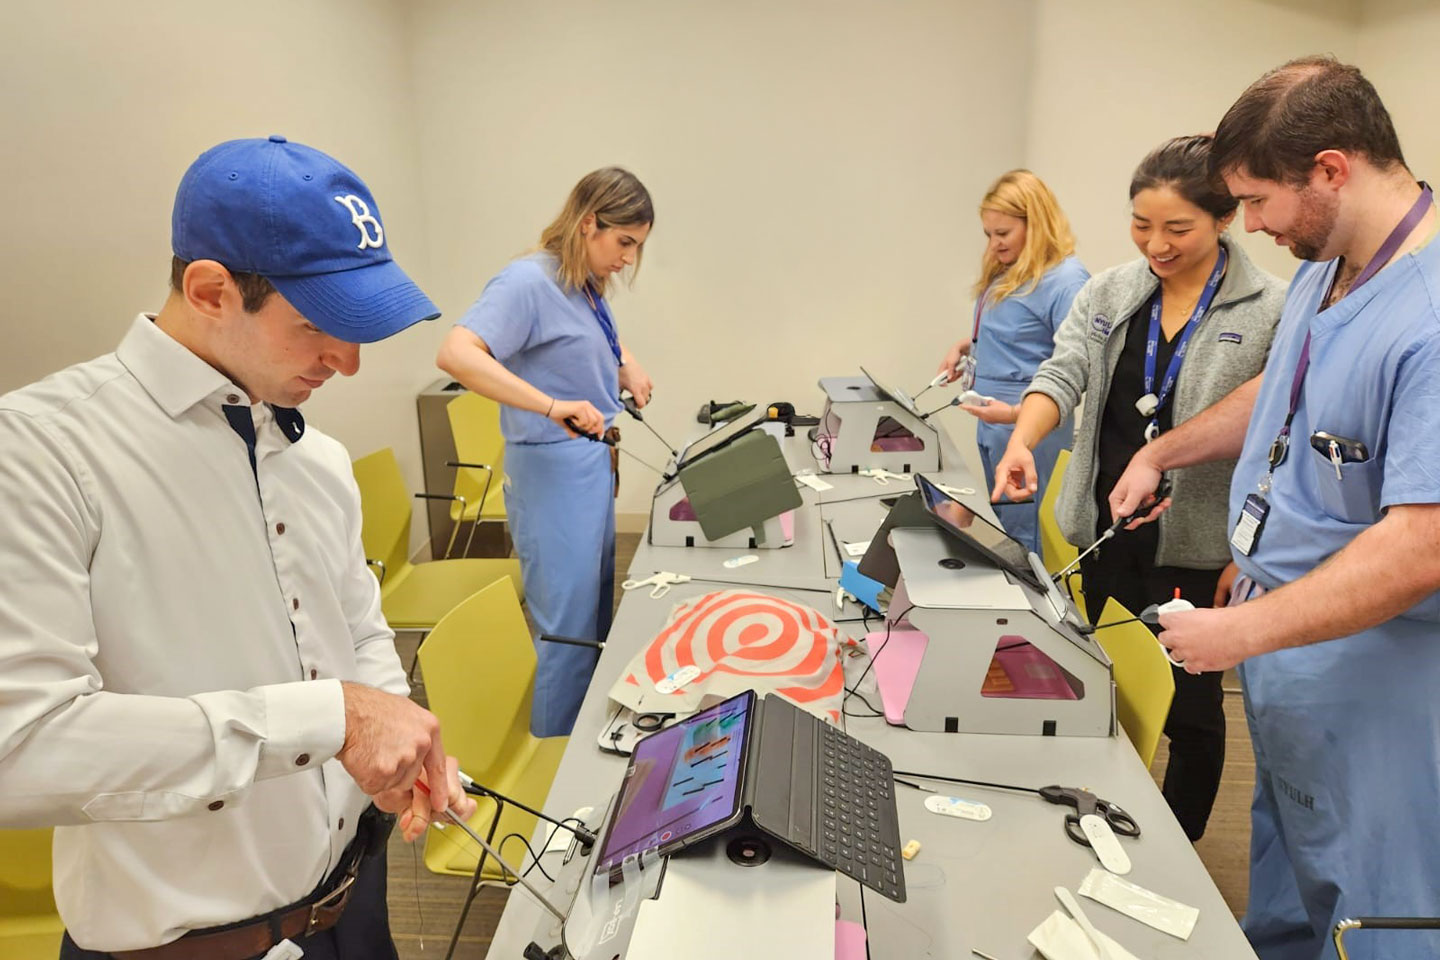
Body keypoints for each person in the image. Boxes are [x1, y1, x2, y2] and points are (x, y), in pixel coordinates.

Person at [0, 136, 476, 960]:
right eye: (319, 327)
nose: (350, 363)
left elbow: (358, 629)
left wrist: (395, 736)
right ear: (212, 290)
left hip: (354, 905)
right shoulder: (40, 452)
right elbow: (21, 751)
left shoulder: (316, 459)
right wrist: (328, 720)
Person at [1109, 58, 1440, 959]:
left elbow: (1422, 545)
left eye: (1258, 201)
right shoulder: (1326, 268)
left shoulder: (1429, 316)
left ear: (1332, 169)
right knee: (1292, 890)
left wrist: (1242, 636)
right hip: (1288, 653)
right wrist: (1161, 451)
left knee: (1377, 915)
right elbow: (1281, 390)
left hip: (1381, 687)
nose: (1249, 225)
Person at [992, 136, 1285, 842]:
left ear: (1223, 218)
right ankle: (1091, 816)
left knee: (1189, 712)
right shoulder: (1112, 291)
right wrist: (1022, 440)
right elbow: (1062, 373)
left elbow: (1278, 445)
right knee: (1098, 685)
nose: (1156, 243)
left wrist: (1247, 556)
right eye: (1141, 223)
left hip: (1193, 548)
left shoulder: (1270, 309)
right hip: (1105, 531)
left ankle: (1177, 846)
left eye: (1177, 228)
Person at [437, 167, 655, 737]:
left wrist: (625, 361)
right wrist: (550, 403)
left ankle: (583, 739)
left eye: (638, 246)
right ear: (589, 224)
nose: (629, 259)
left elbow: (586, 335)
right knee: (567, 630)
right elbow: (458, 354)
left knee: (591, 618)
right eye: (624, 242)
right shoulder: (526, 282)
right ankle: (553, 762)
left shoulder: (580, 282)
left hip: (588, 466)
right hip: (552, 473)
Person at [936, 170, 1089, 554]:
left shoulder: (1066, 281)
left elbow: (1077, 365)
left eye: (1002, 234)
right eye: (988, 234)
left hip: (1029, 423)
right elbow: (1015, 333)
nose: (993, 244)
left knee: (1030, 538)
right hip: (993, 420)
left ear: (1035, 224)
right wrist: (968, 347)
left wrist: (1017, 414)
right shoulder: (1010, 268)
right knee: (1009, 525)